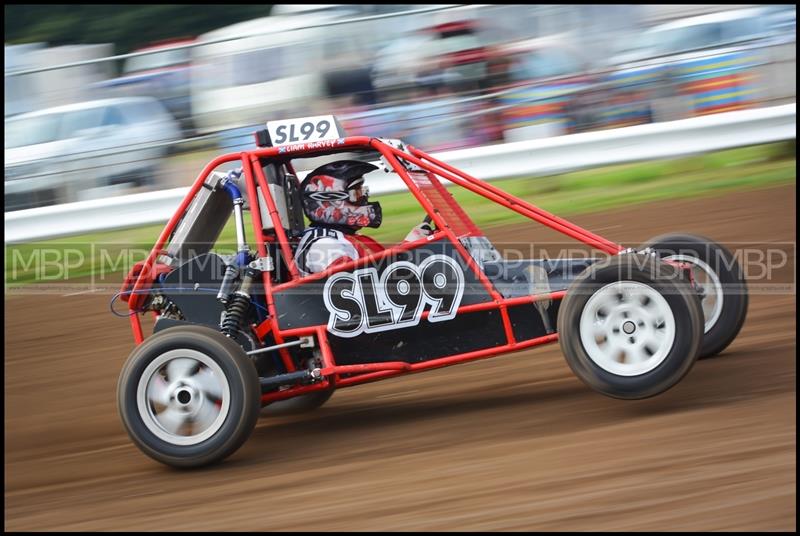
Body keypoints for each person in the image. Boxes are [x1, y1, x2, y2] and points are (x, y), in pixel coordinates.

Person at [294, 160, 433, 275]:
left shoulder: (345, 237)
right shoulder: (324, 245)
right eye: (357, 193)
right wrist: (406, 249)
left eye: (364, 192)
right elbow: (360, 289)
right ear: (329, 201)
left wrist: (411, 246)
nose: (364, 199)